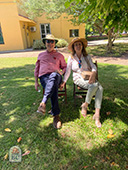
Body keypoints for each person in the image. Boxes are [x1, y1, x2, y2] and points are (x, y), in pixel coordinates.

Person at [60, 37, 103, 128]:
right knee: (96, 86)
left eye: (79, 44)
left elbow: (93, 67)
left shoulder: (87, 57)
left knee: (100, 88)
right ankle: (94, 113)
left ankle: (92, 110)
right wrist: (64, 81)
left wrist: (93, 73)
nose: (78, 46)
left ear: (82, 46)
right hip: (78, 78)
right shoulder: (71, 58)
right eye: (76, 45)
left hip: (88, 77)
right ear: (73, 47)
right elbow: (68, 71)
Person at [34, 34, 67, 129]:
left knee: (53, 75)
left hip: (57, 76)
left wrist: (61, 72)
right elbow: (37, 69)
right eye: (48, 41)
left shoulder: (59, 55)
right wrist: (36, 82)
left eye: (52, 41)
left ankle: (43, 102)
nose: (50, 43)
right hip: (44, 78)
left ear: (54, 43)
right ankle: (56, 116)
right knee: (53, 88)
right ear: (45, 43)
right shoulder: (40, 55)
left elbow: (65, 67)